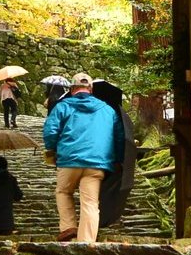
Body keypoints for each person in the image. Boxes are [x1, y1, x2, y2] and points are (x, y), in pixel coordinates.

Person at [43, 72, 118, 243]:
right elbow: (118, 136)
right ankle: (86, 242)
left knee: (63, 191)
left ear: (72, 89)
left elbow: (50, 131)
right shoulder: (108, 110)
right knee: (91, 203)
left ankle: (69, 227)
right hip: (97, 163)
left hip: (69, 159)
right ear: (90, 89)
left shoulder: (62, 106)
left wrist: (52, 149)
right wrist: (116, 158)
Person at [90, 78, 136, 232]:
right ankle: (104, 218)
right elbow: (121, 138)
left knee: (91, 191)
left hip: (90, 157)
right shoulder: (117, 114)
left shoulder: (89, 112)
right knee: (106, 189)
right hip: (110, 159)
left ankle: (93, 220)